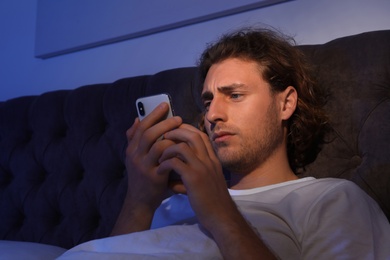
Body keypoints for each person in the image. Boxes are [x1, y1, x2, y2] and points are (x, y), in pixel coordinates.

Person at [59, 28, 390, 259]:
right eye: (207, 101)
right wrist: (140, 199)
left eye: (234, 95)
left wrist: (218, 208)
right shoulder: (168, 205)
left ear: (285, 104)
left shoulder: (330, 200)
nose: (212, 114)